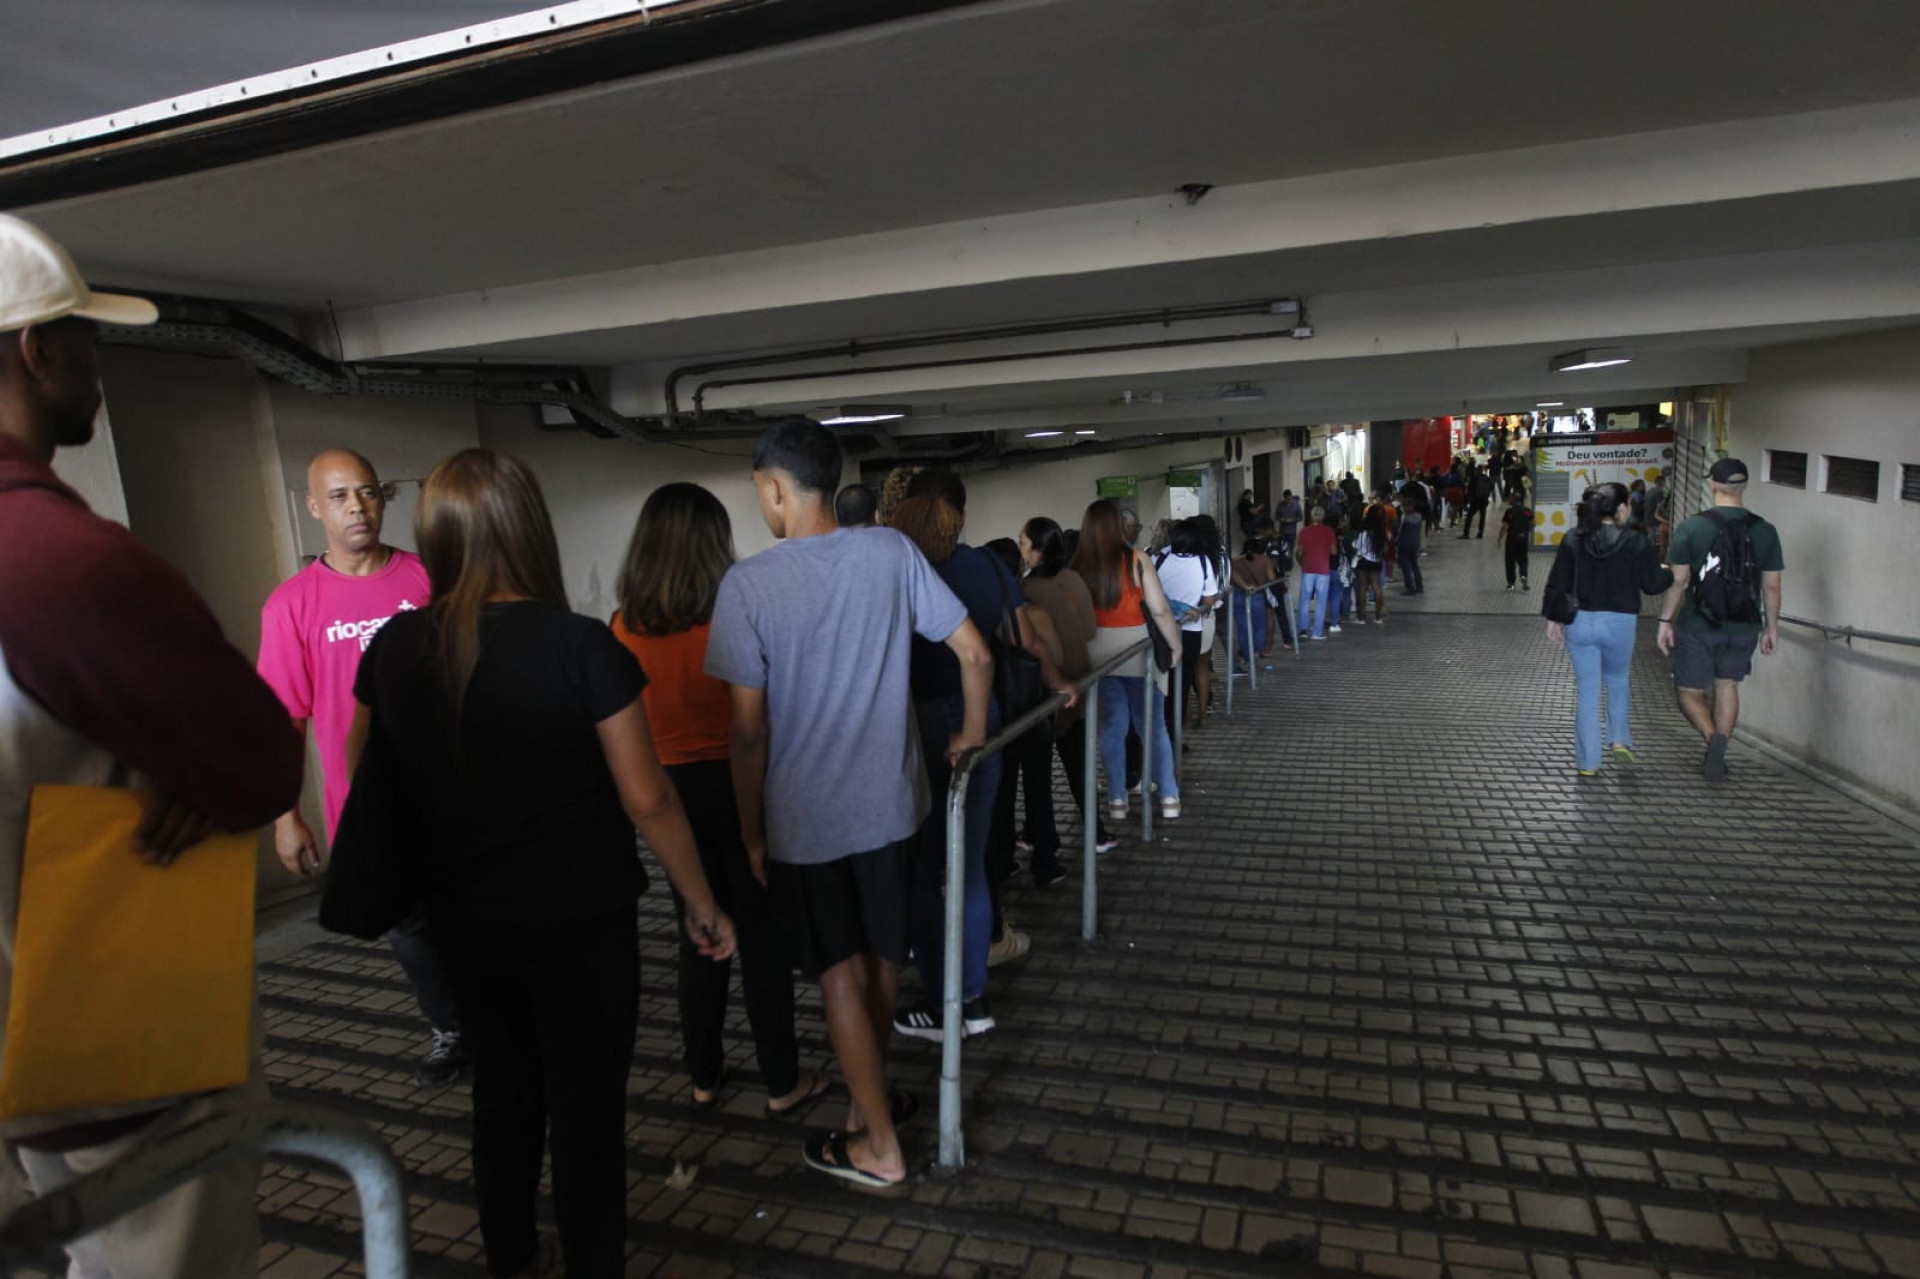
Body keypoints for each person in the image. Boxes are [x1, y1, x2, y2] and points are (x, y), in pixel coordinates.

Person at [0, 212, 303, 1279]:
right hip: (109, 1036)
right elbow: (260, 757)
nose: (100, 365)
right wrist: (203, 773)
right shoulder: (62, 559)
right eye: (86, 338)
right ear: (39, 351)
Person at [354, 449, 735, 1276]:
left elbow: (367, 768)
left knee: (503, 1091)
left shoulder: (396, 645)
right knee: (585, 1108)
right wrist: (701, 900)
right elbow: (648, 799)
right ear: (531, 530)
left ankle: (514, 1255)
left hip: (463, 914)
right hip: (581, 920)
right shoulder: (579, 645)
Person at [706, 419, 991, 1189]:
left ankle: (879, 1147)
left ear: (772, 487)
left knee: (837, 972)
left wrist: (751, 833)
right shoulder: (890, 551)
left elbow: (746, 735)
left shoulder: (749, 587)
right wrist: (968, 732)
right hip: (895, 804)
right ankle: (869, 1111)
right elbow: (975, 651)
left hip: (808, 819)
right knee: (881, 960)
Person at [612, 483, 831, 1118]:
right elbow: (758, 723)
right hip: (742, 787)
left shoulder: (622, 625)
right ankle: (782, 1080)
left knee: (699, 935)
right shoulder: (739, 612)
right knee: (762, 939)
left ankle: (704, 1076)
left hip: (668, 798)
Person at [257, 448, 467, 1088]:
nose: (358, 507)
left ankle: (495, 1018)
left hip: (454, 791)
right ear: (314, 508)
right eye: (341, 496)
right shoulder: (291, 605)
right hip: (369, 801)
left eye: (369, 492)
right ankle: (451, 1027)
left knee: (469, 912)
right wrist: (286, 816)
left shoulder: (429, 579)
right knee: (406, 925)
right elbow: (283, 719)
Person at [892, 470, 1072, 1039]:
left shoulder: (896, 563)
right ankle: (971, 998)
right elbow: (1024, 640)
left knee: (924, 869)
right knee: (968, 864)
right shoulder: (987, 566)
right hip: (982, 717)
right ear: (962, 514)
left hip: (916, 722)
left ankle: (938, 998)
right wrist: (1058, 682)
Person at [1654, 457, 1785, 784]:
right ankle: (1720, 750)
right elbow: (1771, 585)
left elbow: (1678, 582)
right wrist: (1771, 627)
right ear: (1744, 487)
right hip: (1744, 626)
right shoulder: (1766, 531)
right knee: (1728, 686)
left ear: (1712, 484)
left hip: (1699, 625)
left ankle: (1713, 741)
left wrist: (1664, 621)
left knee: (1689, 691)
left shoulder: (1692, 528)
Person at [1542, 484, 1675, 776]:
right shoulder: (1636, 541)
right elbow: (1653, 585)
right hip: (1620, 622)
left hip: (1580, 622)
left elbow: (1558, 580)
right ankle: (1618, 739)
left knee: (1588, 692)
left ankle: (1588, 764)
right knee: (1617, 680)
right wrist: (1670, 572)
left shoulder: (1573, 539)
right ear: (1622, 508)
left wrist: (1554, 618)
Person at [1073, 500, 1182, 820]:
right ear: (1117, 526)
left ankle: (1118, 800)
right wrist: (1175, 647)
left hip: (1098, 653)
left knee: (1112, 725)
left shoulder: (1078, 566)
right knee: (1152, 725)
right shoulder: (1137, 560)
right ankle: (1169, 797)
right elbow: (1160, 609)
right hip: (1137, 648)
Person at [1017, 516, 1117, 859]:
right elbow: (1089, 630)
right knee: (1079, 764)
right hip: (1083, 677)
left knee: (1038, 770)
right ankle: (1098, 832)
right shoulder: (1073, 579)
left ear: (1039, 550)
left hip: (1049, 687)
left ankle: (1037, 835)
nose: (1021, 549)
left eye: (1024, 543)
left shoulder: (1025, 590)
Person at [1154, 520, 1221, 732]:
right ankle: (1175, 732)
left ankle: (1161, 728)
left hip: (1160, 629)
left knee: (1161, 681)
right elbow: (1209, 599)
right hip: (1190, 631)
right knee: (1182, 683)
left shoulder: (1158, 557)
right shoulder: (1203, 562)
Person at [1230, 531, 1279, 663]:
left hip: (1239, 595)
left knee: (1242, 628)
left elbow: (1231, 577)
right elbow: (1271, 578)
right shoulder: (1264, 560)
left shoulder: (1235, 561)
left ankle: (1246, 655)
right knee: (1260, 626)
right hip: (1257, 594)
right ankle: (1257, 651)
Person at [1294, 505, 1336, 640]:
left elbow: (1299, 552)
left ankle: (1303, 630)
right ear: (1323, 517)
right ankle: (1317, 632)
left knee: (1304, 600)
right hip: (1323, 570)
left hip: (1308, 569)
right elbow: (1334, 551)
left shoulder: (1304, 531)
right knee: (1321, 602)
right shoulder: (1329, 532)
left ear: (1311, 517)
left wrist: (1303, 562)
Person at [1352, 494, 1389, 625]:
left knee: (1362, 589)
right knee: (1377, 588)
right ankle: (1378, 617)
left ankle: (1360, 617)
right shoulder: (1381, 533)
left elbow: (1356, 547)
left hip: (1363, 562)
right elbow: (1385, 549)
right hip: (1376, 562)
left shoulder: (1363, 533)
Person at [1498, 490, 1535, 590]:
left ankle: (1511, 583)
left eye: (1510, 497)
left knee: (1510, 561)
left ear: (1513, 500)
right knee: (1523, 559)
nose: (1509, 499)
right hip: (1523, 539)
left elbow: (1504, 527)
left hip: (1511, 539)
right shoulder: (1527, 511)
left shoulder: (1509, 512)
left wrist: (1499, 539)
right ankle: (1523, 575)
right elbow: (1533, 523)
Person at [1397, 484, 1428, 595]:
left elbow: (1398, 530)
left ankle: (1410, 587)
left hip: (1404, 544)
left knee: (1406, 566)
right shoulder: (1419, 516)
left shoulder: (1405, 519)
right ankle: (1419, 586)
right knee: (1415, 565)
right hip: (1415, 544)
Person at [1461, 465, 1493, 538]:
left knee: (1469, 517)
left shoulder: (1475, 479)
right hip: (1484, 500)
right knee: (1482, 517)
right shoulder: (1486, 478)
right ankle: (1480, 533)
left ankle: (1466, 533)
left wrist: (1468, 500)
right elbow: (1491, 487)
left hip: (1476, 501)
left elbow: (1470, 489)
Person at [1274, 489, 1302, 555]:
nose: (1288, 500)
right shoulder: (1280, 505)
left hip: (1291, 531)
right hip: (1282, 530)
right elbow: (1276, 516)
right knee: (1282, 547)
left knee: (1290, 547)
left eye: (1289, 498)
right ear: (1284, 498)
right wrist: (1281, 519)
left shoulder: (1296, 505)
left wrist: (1292, 520)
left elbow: (1300, 517)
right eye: (1286, 499)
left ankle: (1290, 562)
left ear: (1291, 496)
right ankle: (1283, 561)